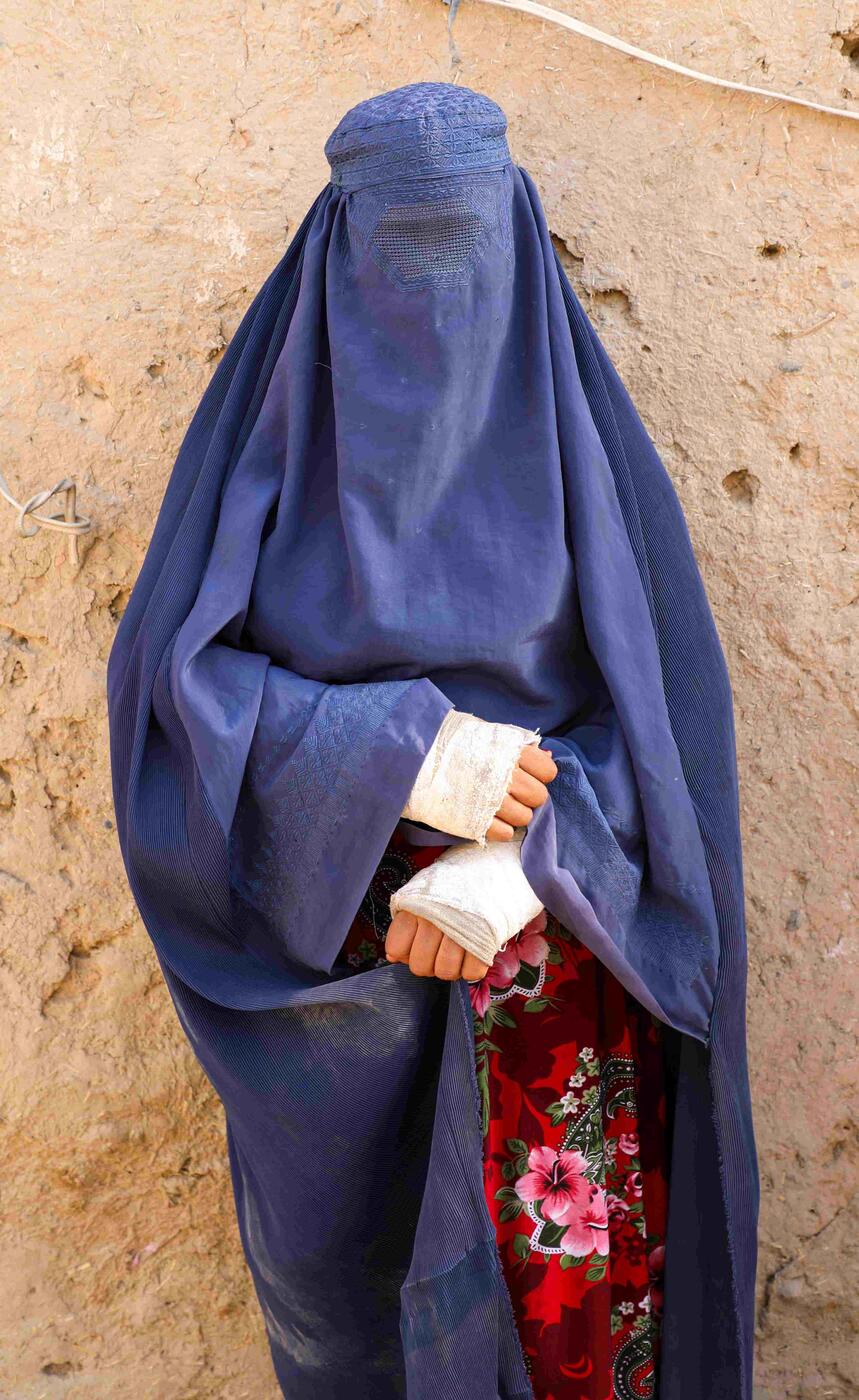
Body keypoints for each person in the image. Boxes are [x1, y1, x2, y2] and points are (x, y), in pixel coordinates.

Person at [107, 81, 758, 1399]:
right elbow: (168, 715)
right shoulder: (265, 451)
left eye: (461, 249)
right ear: (335, 256)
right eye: (399, 256)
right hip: (347, 1004)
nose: (433, 303)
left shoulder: (582, 463)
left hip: (549, 994)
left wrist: (519, 862)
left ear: (516, 247)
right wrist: (407, 752)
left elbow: (667, 745)